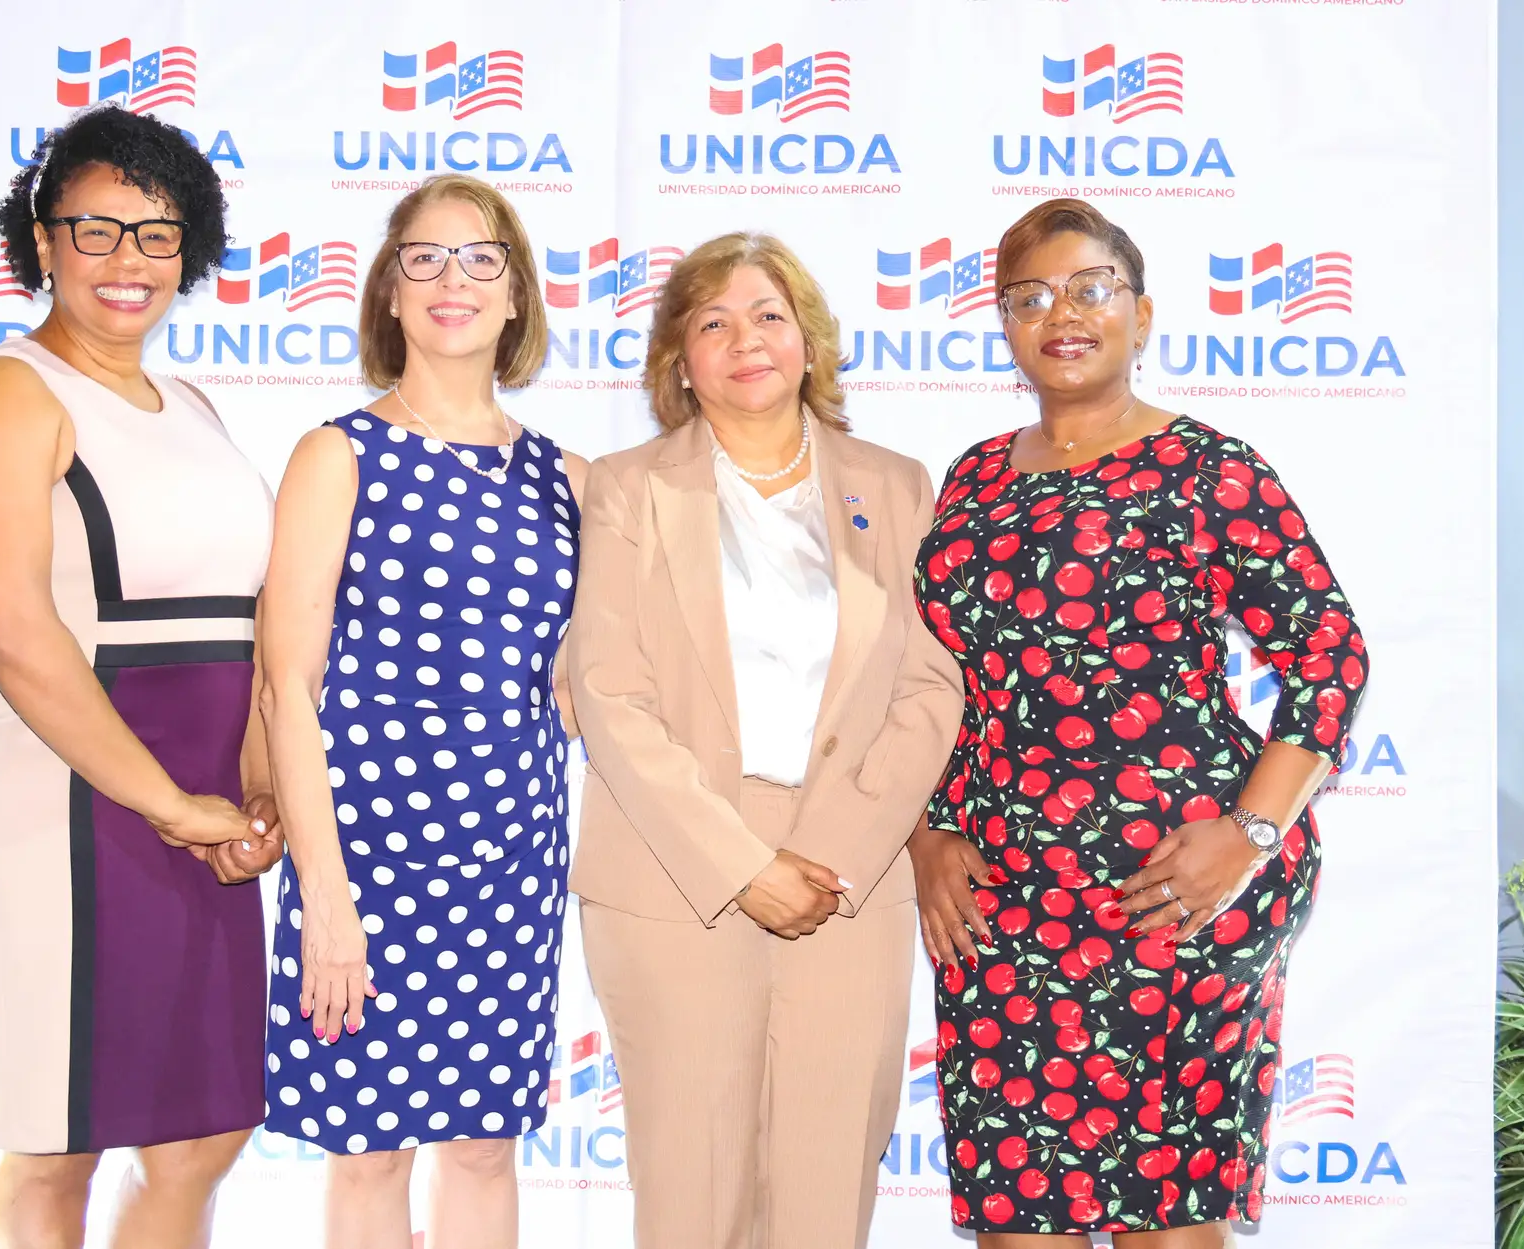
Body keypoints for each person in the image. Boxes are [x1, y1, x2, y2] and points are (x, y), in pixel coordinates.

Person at [908, 198, 1370, 1243]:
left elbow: (1329, 654)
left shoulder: (1210, 468)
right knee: (1019, 1217)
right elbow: (936, 682)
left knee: (1166, 1215)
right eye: (1029, 297)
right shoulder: (972, 480)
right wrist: (927, 831)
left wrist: (1249, 834)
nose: (1061, 314)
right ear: (1004, 324)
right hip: (1003, 900)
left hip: (1173, 886)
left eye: (1090, 288)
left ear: (1143, 314)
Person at [0, 104, 283, 1249]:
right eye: (97, 228)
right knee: (57, 1140)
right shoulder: (0, 391)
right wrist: (167, 802)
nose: (129, 259)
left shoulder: (197, 408)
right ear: (41, 240)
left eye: (158, 233)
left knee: (203, 1129)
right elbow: (11, 625)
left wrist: (255, 793)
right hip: (58, 802)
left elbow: (251, 626)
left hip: (200, 809)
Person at [567, 231, 965, 1249]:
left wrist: (829, 854)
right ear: (679, 361)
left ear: (808, 341)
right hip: (674, 875)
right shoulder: (624, 487)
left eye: (768, 316)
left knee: (827, 1195)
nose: (745, 340)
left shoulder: (897, 485)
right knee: (693, 1196)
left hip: (850, 874)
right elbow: (607, 691)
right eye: (713, 322)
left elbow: (930, 686)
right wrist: (743, 864)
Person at [258, 174, 583, 1249]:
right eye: (426, 258)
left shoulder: (570, 480)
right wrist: (326, 898)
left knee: (486, 1147)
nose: (454, 279)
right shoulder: (338, 455)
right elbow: (287, 690)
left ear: (516, 295)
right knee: (369, 1152)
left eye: (482, 258)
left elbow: (598, 680)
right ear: (390, 294)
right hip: (365, 866)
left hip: (513, 865)